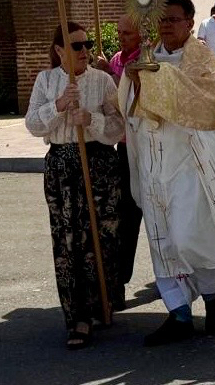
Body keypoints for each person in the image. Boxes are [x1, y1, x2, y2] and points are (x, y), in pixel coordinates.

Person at [120, 0, 215, 346]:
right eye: (162, 19)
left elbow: (214, 103)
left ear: (191, 23)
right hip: (152, 159)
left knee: (189, 237)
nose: (166, 25)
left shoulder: (202, 59)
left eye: (174, 19)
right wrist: (133, 80)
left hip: (189, 163)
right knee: (162, 242)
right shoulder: (146, 57)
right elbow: (131, 104)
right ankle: (178, 313)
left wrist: (162, 80)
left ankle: (211, 291)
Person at [25, 22, 124, 349]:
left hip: (98, 164)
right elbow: (32, 125)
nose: (85, 51)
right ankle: (77, 316)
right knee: (68, 241)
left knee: (100, 237)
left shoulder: (102, 81)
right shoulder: (47, 80)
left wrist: (91, 121)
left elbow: (118, 127)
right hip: (62, 167)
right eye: (77, 46)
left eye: (87, 44)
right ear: (59, 51)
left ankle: (102, 304)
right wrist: (59, 106)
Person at [95, 14, 144, 305]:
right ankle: (119, 281)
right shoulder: (115, 59)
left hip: (146, 146)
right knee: (125, 217)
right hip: (124, 147)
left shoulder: (143, 59)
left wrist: (110, 77)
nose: (123, 37)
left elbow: (128, 96)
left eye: (128, 33)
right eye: (120, 32)